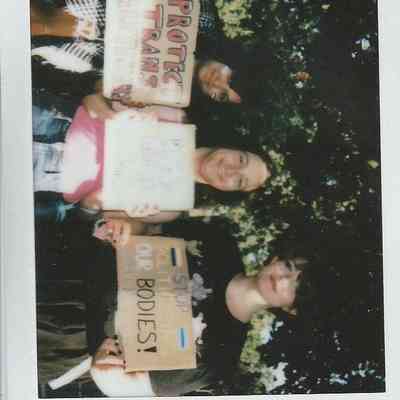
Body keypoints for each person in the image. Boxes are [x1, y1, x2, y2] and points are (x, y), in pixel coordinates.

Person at [38, 218, 311, 397]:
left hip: (62, 339)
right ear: (276, 258)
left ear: (291, 309)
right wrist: (123, 228)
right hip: (64, 271)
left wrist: (105, 372)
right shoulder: (219, 242)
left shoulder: (221, 356)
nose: (284, 278)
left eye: (295, 287)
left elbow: (130, 387)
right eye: (288, 266)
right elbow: (143, 227)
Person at [33, 95, 271, 223]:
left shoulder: (170, 207)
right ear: (234, 145)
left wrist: (98, 200)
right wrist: (114, 115)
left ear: (229, 192)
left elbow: (85, 214)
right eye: (241, 160)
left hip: (46, 182)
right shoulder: (178, 118)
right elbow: (92, 98)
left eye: (240, 181)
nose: (231, 170)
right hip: (51, 120)